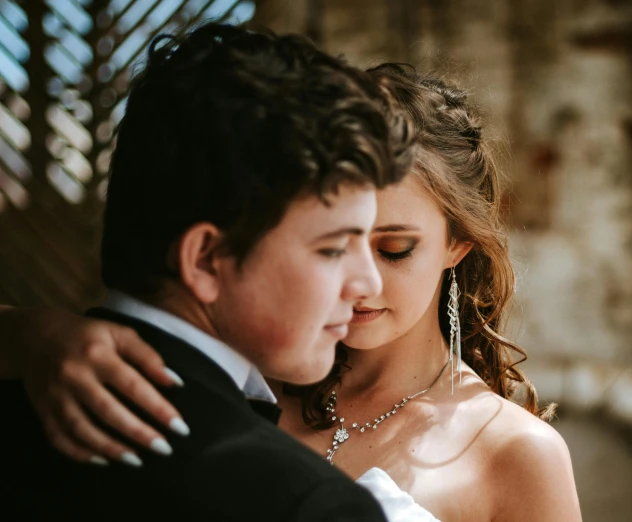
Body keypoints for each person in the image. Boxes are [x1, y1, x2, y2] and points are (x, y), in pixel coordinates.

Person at [0, 66, 582, 521]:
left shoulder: (517, 453)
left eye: (395, 248)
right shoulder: (236, 374)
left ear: (458, 242)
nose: (361, 281)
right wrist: (30, 333)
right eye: (334, 244)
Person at [0, 22, 416, 521]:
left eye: (382, 246)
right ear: (204, 259)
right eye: (332, 249)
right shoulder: (307, 504)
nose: (367, 283)